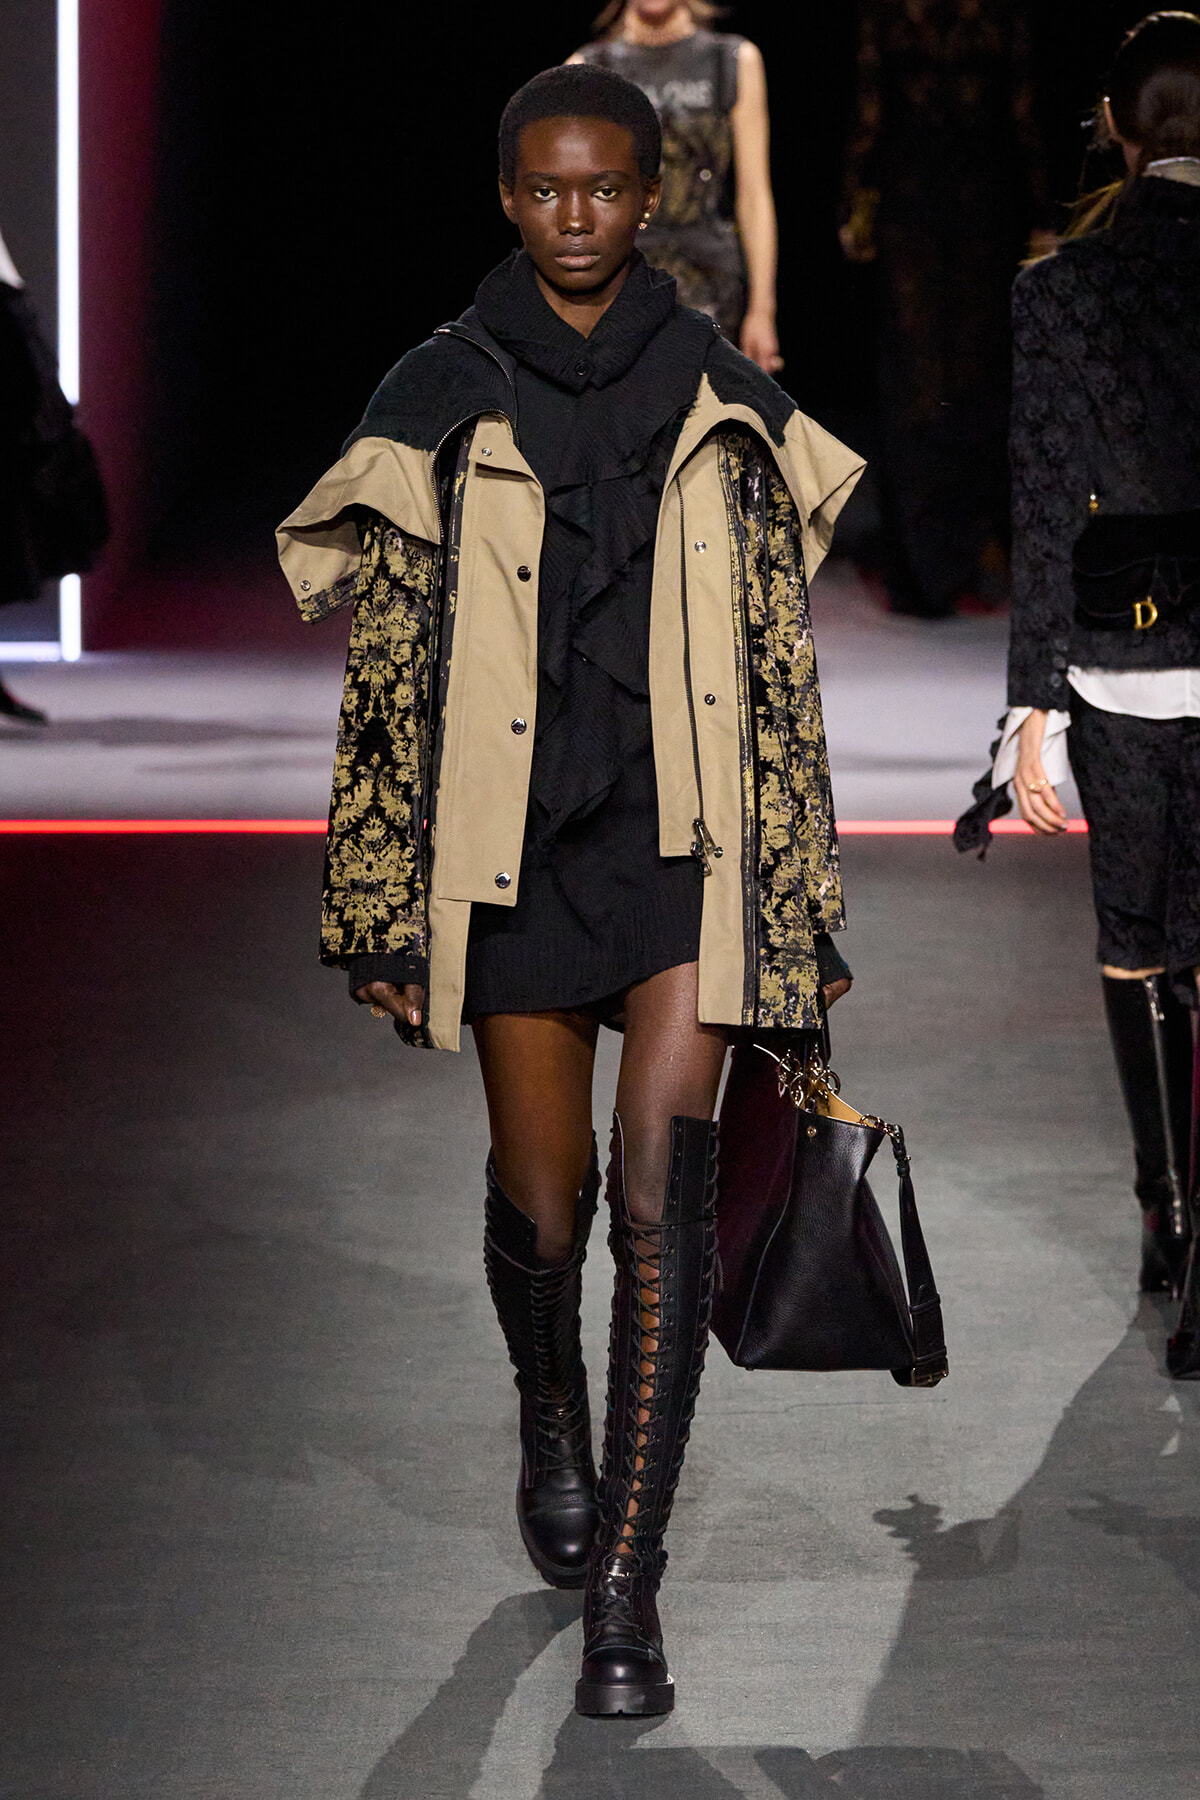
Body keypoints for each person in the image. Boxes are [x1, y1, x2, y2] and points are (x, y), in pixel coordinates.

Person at [277, 65, 862, 1713]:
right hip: (512, 849)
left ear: (652, 194)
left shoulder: (721, 393)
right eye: (548, 190)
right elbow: (387, 669)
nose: (580, 216)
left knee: (664, 1206)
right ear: (509, 199)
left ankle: (628, 1589)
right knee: (549, 1209)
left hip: (682, 851)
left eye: (608, 188)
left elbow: (779, 664)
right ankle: (550, 1405)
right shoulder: (438, 390)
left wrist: (803, 917)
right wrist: (380, 906)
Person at [960, 14, 1200, 1373]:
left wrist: (1027, 708)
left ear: (1115, 125)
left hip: (1125, 653)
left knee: (1137, 933)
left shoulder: (1061, 291)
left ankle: (1164, 1211)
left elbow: (1047, 499)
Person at [840, 0, 1051, 617]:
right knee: (969, 381)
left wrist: (855, 201)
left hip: (927, 205)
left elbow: (869, 111)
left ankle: (926, 564)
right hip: (977, 207)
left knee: (921, 383)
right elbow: (1023, 113)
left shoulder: (895, 13)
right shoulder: (992, 15)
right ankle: (959, 557)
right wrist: (1041, 217)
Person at [569, 0, 782, 372]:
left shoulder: (731, 60)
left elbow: (754, 195)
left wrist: (762, 310)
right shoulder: (588, 68)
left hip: (713, 289)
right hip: (618, 291)